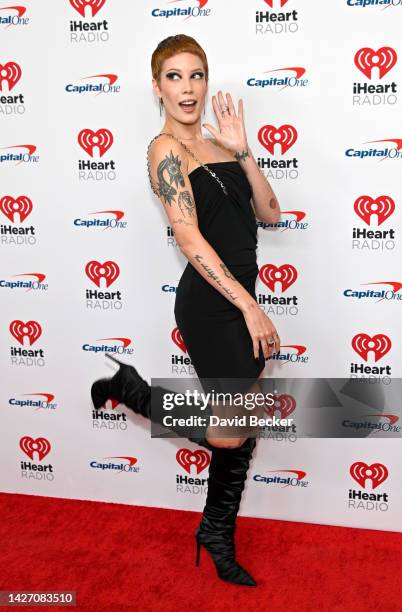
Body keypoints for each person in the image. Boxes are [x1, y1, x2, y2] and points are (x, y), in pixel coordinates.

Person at [91, 34, 281, 587]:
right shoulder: (164, 151)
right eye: (174, 77)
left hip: (243, 298)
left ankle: (215, 533)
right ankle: (132, 391)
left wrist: (244, 150)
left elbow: (271, 213)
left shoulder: (222, 147)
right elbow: (189, 237)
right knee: (230, 433)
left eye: (195, 74)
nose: (188, 87)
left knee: (238, 429)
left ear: (206, 79)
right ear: (157, 88)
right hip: (213, 305)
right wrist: (250, 309)